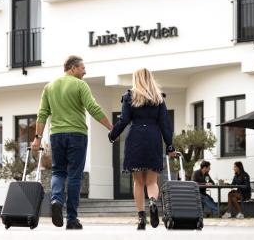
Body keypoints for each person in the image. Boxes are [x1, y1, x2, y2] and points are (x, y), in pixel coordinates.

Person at [32, 55, 113, 230]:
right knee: (75, 175)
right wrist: (110, 127)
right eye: (82, 68)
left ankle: (56, 200)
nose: (85, 71)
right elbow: (93, 108)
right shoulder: (80, 85)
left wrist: (37, 138)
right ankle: (72, 219)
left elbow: (42, 114)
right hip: (77, 135)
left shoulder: (49, 87)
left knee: (58, 172)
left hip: (57, 136)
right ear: (73, 68)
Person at [108, 68, 176, 230]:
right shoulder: (159, 98)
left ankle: (141, 218)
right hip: (153, 137)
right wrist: (170, 145)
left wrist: (113, 134)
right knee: (152, 181)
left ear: (136, 79)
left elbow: (124, 120)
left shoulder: (129, 97)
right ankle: (152, 202)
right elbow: (165, 124)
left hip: (136, 137)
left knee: (138, 182)